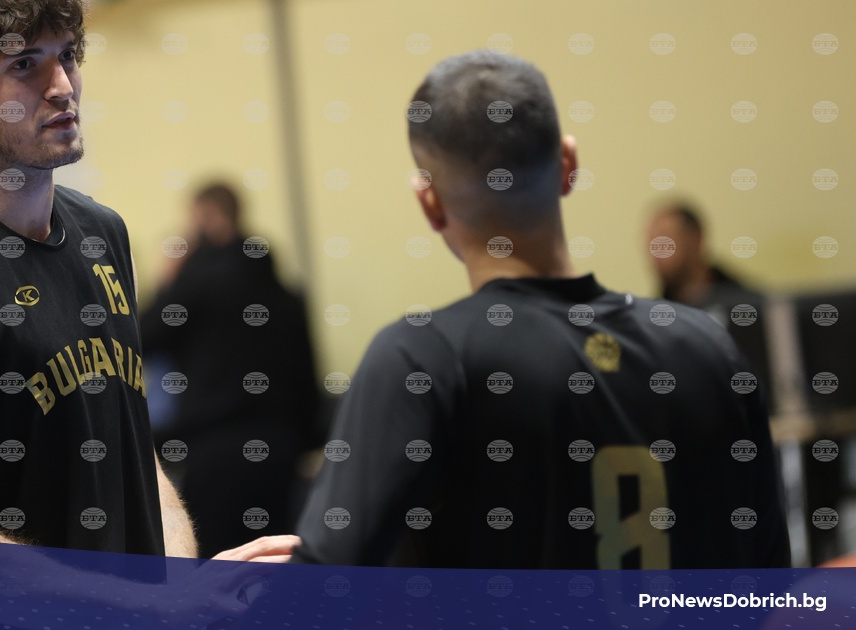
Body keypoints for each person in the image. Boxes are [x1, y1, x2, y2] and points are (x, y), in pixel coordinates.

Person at [291, 51, 790, 569]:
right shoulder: (709, 349)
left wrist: (247, 584)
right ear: (568, 165)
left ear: (429, 202)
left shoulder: (421, 360)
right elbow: (772, 584)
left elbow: (324, 584)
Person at [0, 0, 294, 567]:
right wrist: (132, 603)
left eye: (67, 56)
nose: (62, 86)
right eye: (24, 65)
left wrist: (182, 588)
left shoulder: (102, 233)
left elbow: (137, 456)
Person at [140, 182, 321, 557]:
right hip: (280, 450)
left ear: (210, 218)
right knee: (275, 558)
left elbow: (142, 338)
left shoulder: (198, 284)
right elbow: (307, 377)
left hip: (216, 451)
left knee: (220, 567)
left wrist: (169, 282)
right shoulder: (284, 292)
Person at [646, 201, 773, 409]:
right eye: (650, 244)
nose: (656, 254)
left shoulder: (751, 308)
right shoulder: (650, 324)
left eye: (664, 242)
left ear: (696, 239)